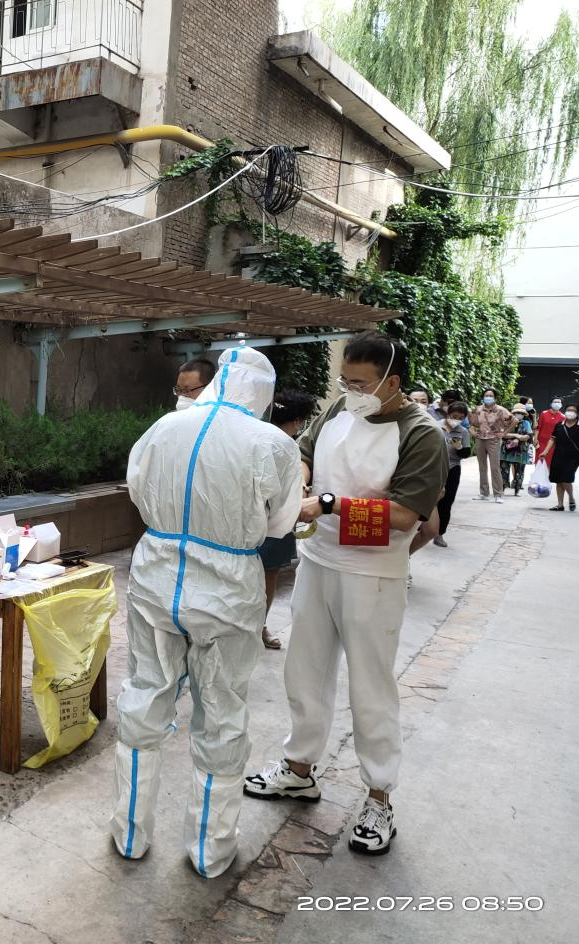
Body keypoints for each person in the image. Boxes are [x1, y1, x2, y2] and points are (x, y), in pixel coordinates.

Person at [244, 332, 447, 857]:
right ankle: (298, 769)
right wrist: (301, 481)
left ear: (391, 382)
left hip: (373, 573)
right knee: (305, 670)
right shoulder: (339, 409)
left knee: (370, 686)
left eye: (360, 383)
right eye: (345, 380)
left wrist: (329, 504)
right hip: (318, 561)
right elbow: (305, 452)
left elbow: (405, 516)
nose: (349, 391)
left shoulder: (422, 435)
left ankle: (379, 797)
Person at [112, 347, 302, 877]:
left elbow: (136, 489)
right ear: (263, 393)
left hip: (156, 576)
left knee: (143, 697)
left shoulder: (164, 427)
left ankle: (129, 834)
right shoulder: (273, 443)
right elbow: (281, 523)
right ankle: (210, 850)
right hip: (228, 591)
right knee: (221, 715)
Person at [257, 389, 318, 649]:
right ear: (298, 421)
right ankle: (260, 627)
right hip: (277, 518)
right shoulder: (289, 447)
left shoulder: (253, 436)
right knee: (268, 575)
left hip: (249, 517)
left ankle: (252, 627)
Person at [433, 400, 472, 547]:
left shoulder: (463, 432)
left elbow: (466, 453)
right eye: (454, 416)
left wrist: (460, 447)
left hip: (452, 467)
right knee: (429, 499)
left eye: (461, 418)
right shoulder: (436, 426)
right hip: (434, 466)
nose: (457, 420)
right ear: (448, 414)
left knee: (447, 502)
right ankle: (420, 530)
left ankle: (439, 534)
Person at [470, 388, 515, 502]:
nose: (488, 397)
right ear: (483, 397)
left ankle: (498, 494)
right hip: (480, 439)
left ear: (495, 398)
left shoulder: (500, 410)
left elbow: (514, 420)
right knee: (482, 467)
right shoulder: (478, 409)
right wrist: (472, 431)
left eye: (490, 396)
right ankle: (484, 493)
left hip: (493, 440)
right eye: (486, 395)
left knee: (495, 467)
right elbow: (471, 423)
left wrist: (504, 433)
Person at [543, 403, 579, 511]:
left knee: (566, 478)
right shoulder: (559, 425)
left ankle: (571, 498)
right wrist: (546, 451)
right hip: (558, 455)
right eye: (569, 410)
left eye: (573, 410)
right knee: (558, 480)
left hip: (574, 457)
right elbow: (552, 439)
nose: (570, 412)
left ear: (577, 413)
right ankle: (560, 505)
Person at [500, 403, 534, 496]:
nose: (519, 414)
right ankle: (502, 488)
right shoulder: (506, 422)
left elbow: (528, 435)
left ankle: (517, 489)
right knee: (503, 469)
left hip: (521, 450)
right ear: (513, 413)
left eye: (521, 413)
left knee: (519, 471)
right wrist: (517, 436)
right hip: (506, 449)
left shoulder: (526, 423)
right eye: (517, 412)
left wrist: (518, 439)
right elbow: (502, 434)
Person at [536, 396, 566, 462]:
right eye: (555, 402)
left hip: (553, 444)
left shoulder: (563, 417)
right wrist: (535, 439)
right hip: (541, 442)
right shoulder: (544, 413)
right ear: (551, 403)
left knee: (550, 462)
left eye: (559, 402)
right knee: (539, 462)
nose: (557, 404)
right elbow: (538, 427)